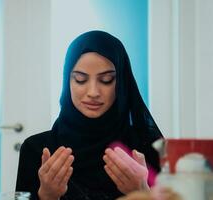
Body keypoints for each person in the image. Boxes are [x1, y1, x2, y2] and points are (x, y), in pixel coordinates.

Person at [15, 30, 163, 200]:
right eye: (80, 79)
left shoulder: (147, 146)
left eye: (106, 80)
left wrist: (142, 192)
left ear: (121, 83)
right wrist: (46, 195)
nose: (93, 92)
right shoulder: (37, 150)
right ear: (67, 82)